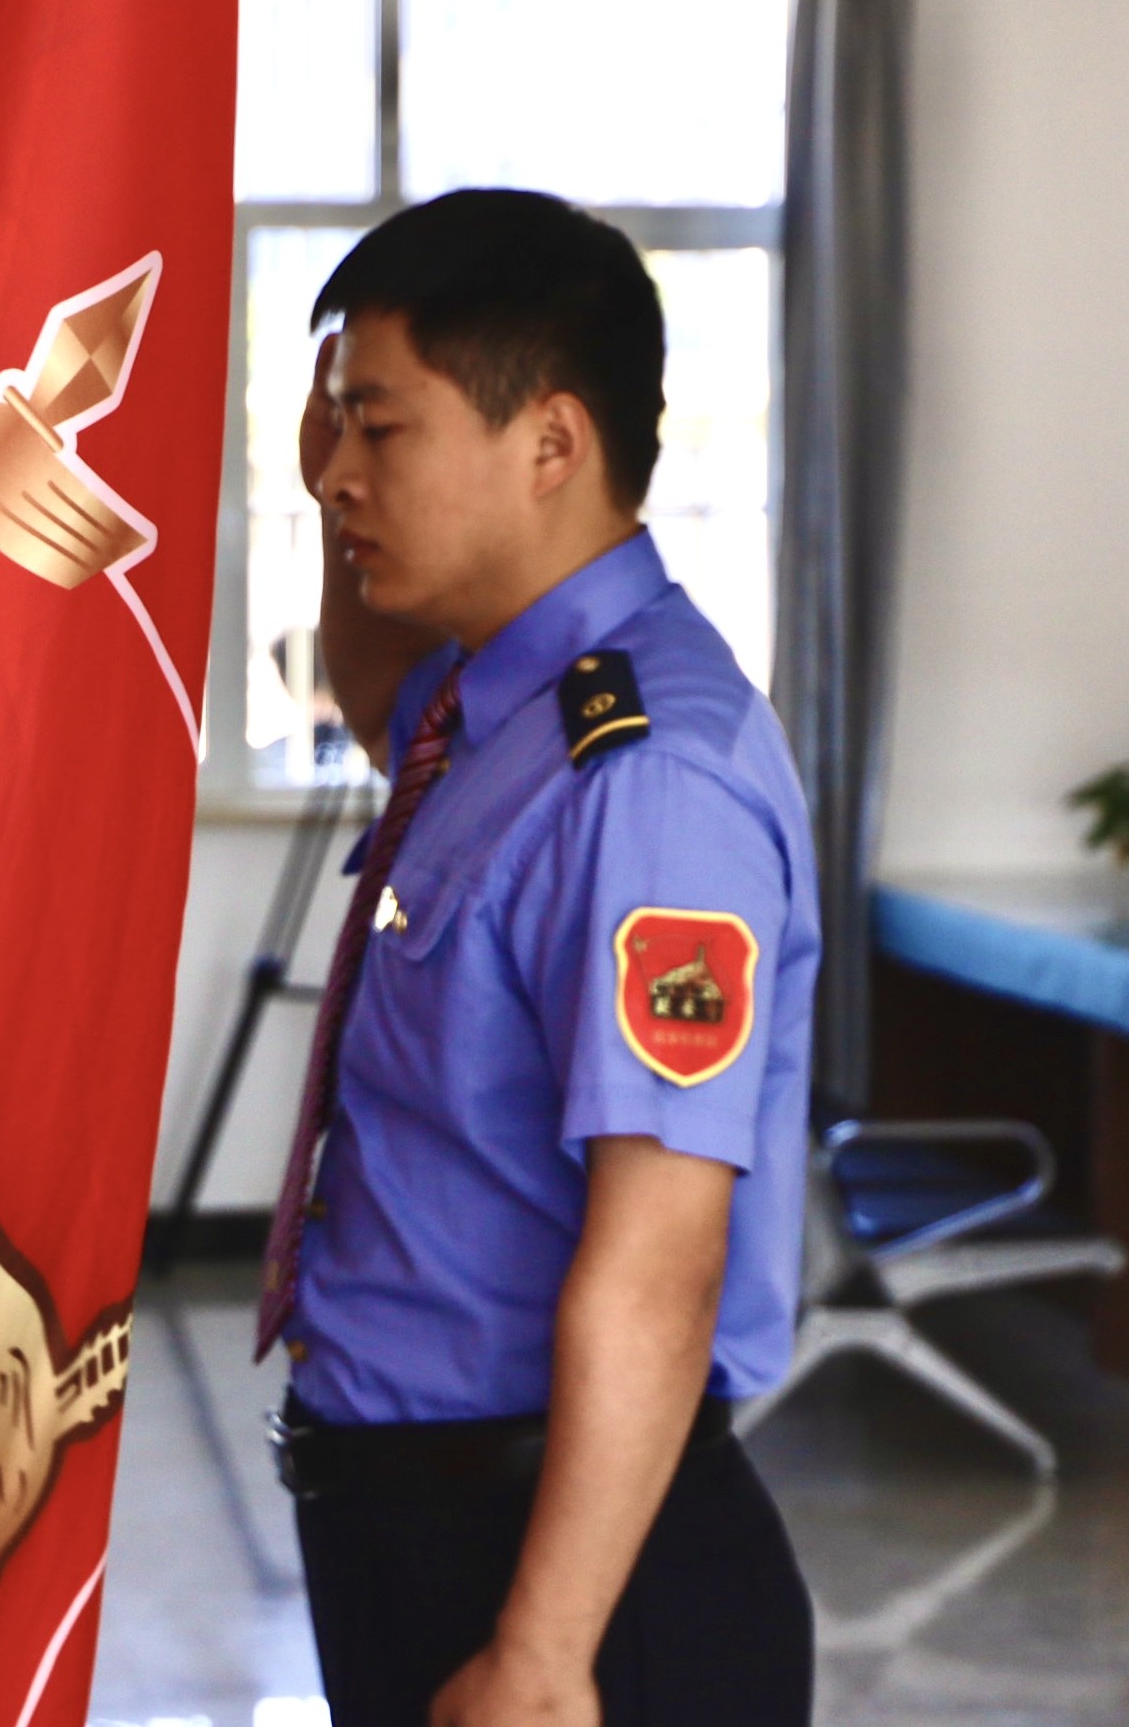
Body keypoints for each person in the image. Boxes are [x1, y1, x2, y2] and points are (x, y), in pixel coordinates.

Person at [259, 190, 820, 1727]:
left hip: (567, 1564)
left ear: (550, 444)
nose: (337, 472)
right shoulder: (500, 699)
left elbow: (660, 1256)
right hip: (418, 1517)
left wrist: (545, 1648)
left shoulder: (648, 780)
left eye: (379, 430)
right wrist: (332, 467)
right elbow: (379, 702)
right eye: (331, 429)